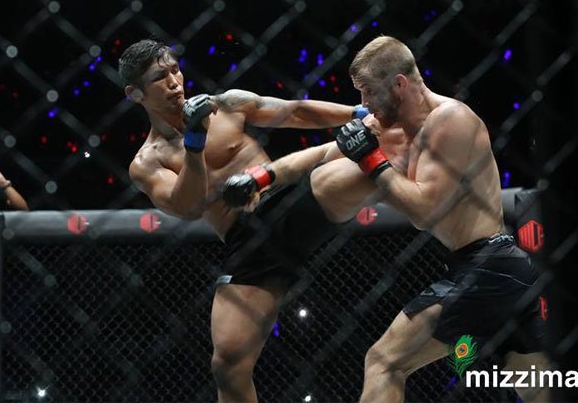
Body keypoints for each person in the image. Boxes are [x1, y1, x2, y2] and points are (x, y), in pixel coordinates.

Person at [223, 35, 548, 402]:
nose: (363, 104)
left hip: (489, 265)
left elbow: (426, 210)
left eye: (368, 93)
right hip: (491, 267)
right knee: (538, 389)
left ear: (399, 84)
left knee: (384, 363)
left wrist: (371, 160)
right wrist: (260, 177)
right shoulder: (392, 129)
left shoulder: (451, 120)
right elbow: (319, 155)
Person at [119, 38, 404, 402]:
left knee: (364, 142)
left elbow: (295, 112)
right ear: (136, 93)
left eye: (175, 70)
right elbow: (187, 206)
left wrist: (356, 112)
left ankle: (427, 155)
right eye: (160, 77)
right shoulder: (147, 162)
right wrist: (194, 142)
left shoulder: (227, 104)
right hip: (246, 241)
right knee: (227, 366)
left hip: (286, 202)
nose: (174, 82)